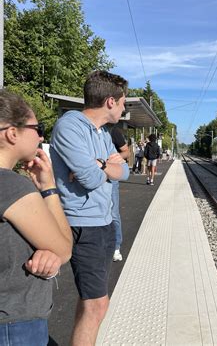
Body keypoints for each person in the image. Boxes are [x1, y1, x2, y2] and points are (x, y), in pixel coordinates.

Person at [50, 70, 129, 345]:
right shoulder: (70, 127)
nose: (123, 108)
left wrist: (102, 165)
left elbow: (127, 170)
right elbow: (90, 178)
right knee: (96, 305)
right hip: (83, 224)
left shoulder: (103, 133)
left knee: (92, 303)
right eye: (122, 103)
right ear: (110, 101)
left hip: (103, 223)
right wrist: (106, 167)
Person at [0, 90, 72, 345]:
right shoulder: (10, 186)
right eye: (37, 128)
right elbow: (64, 248)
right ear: (12, 133)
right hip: (13, 324)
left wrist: (46, 252)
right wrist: (48, 187)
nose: (41, 136)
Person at [110, 126, 129, 262]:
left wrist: (114, 159)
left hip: (110, 177)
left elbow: (126, 152)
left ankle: (116, 247)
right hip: (91, 176)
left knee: (113, 213)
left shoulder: (113, 131)